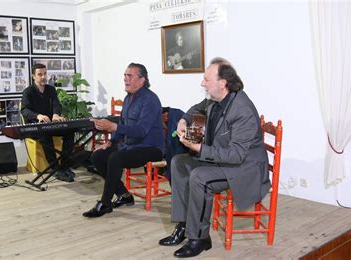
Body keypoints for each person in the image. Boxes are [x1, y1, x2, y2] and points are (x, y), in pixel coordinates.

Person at [158, 57, 271, 257]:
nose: (202, 83)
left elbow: (236, 155)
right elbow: (195, 109)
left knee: (200, 177)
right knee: (178, 163)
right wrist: (183, 121)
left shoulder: (242, 109)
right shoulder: (215, 98)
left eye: (206, 80)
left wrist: (199, 148)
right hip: (223, 160)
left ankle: (199, 238)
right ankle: (184, 226)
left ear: (223, 83)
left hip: (243, 168)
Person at [82, 63, 164, 218]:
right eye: (125, 75)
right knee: (97, 156)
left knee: (115, 158)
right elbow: (123, 125)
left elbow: (141, 131)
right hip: (131, 146)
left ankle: (105, 203)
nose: (125, 79)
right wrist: (111, 142)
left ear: (142, 80)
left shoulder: (150, 100)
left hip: (151, 148)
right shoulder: (128, 98)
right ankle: (124, 195)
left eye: (130, 76)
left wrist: (112, 126)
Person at [21, 63, 75, 182]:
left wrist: (56, 114)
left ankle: (64, 166)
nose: (43, 77)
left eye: (45, 74)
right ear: (33, 76)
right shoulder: (28, 92)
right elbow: (24, 110)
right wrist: (38, 116)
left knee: (70, 132)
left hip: (51, 125)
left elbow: (56, 104)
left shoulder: (51, 89)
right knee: (45, 135)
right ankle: (55, 169)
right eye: (39, 74)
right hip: (36, 128)